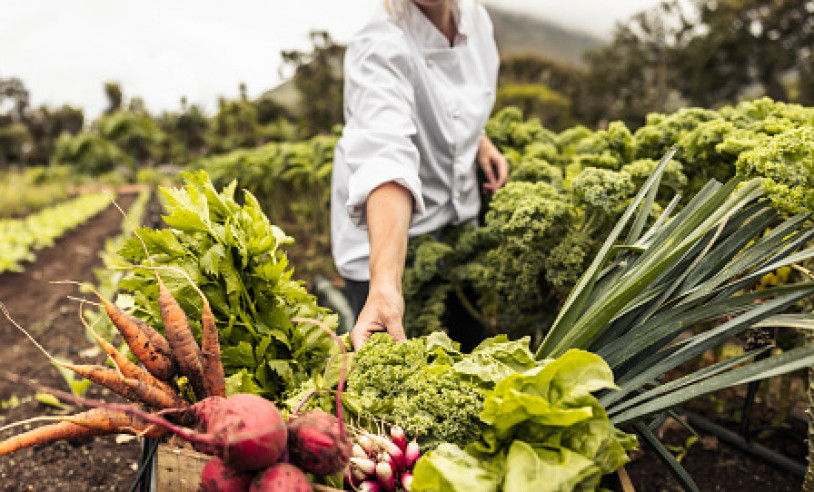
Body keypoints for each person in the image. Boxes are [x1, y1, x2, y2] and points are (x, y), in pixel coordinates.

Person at [330, 0, 508, 351]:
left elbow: (455, 100)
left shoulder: (475, 19)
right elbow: (386, 155)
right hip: (386, 241)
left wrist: (478, 139)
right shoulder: (379, 41)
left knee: (469, 344)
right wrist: (384, 286)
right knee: (404, 375)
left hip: (455, 223)